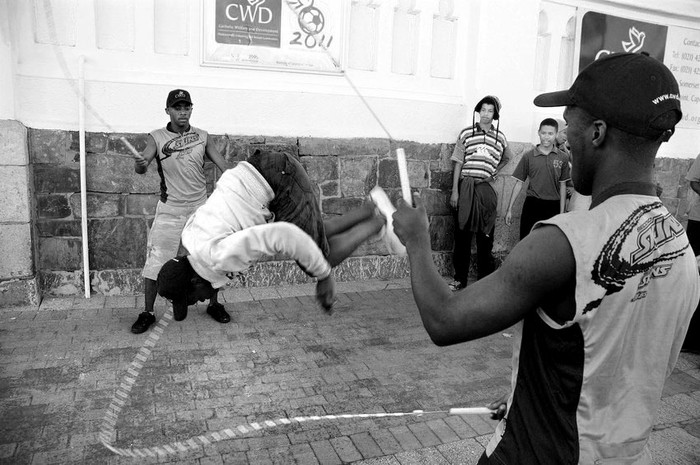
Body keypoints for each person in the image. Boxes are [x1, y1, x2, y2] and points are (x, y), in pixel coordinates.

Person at [393, 52, 699, 464]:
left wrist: (416, 239)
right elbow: (619, 360)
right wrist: (531, 391)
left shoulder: (565, 242)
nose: (563, 140)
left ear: (597, 133)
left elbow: (444, 320)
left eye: (569, 124)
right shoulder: (680, 247)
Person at [156, 149, 403, 320]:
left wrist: (324, 276)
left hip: (278, 179)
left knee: (319, 258)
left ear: (195, 281)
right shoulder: (192, 242)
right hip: (265, 173)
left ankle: (380, 221)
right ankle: (371, 210)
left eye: (194, 299)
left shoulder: (220, 256)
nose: (200, 302)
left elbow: (284, 235)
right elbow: (296, 236)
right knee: (311, 240)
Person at [130, 89, 230, 334]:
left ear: (191, 110)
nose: (182, 112)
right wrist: (140, 164)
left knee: (211, 259)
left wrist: (239, 176)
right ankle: (147, 313)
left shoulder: (203, 137)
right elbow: (142, 163)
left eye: (186, 107)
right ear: (168, 111)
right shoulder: (157, 137)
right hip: (170, 210)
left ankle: (214, 305)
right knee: (156, 262)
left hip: (200, 210)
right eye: (177, 107)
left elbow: (223, 165)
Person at [449, 95, 513, 290]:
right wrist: (455, 191)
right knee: (462, 236)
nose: (486, 114)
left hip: (485, 190)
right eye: (483, 110)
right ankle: (460, 279)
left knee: (486, 235)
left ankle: (485, 280)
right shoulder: (466, 133)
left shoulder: (500, 137)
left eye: (490, 111)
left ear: (495, 114)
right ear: (478, 111)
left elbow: (507, 157)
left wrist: (493, 172)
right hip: (466, 187)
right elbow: (458, 162)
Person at [505, 118, 571, 239]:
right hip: (532, 204)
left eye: (550, 134)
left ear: (556, 134)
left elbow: (563, 186)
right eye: (543, 133)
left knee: (548, 244)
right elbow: (518, 183)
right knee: (526, 240)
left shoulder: (563, 157)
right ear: (538, 133)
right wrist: (509, 209)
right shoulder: (528, 156)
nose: (546, 137)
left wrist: (562, 213)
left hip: (553, 206)